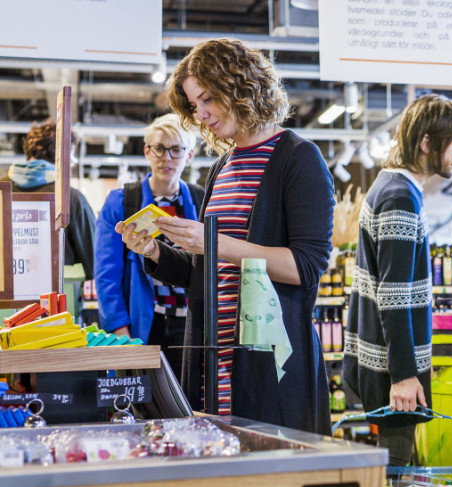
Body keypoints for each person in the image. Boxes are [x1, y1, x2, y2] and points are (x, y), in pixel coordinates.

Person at [115, 38, 335, 433]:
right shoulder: (222, 167)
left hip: (268, 364)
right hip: (212, 357)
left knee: (268, 478)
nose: (200, 114)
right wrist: (154, 252)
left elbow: (306, 266)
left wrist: (212, 242)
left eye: (206, 100)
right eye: (194, 105)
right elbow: (207, 269)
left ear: (240, 86)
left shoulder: (298, 158)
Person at [343, 94, 452, 465]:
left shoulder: (392, 186)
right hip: (390, 371)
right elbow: (394, 296)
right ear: (427, 143)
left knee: (398, 477)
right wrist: (403, 376)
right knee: (396, 486)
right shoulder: (399, 196)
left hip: (380, 363)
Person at [94, 114, 206, 370]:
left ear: (188, 156)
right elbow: (106, 273)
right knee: (143, 402)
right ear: (147, 151)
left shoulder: (201, 201)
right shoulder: (122, 201)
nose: (166, 158)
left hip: (192, 324)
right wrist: (118, 328)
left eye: (176, 150)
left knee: (190, 402)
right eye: (159, 148)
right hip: (142, 323)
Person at [8, 120, 97, 281]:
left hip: (5, 301)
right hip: (59, 300)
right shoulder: (72, 198)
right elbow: (93, 263)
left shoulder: (2, 190)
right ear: (64, 156)